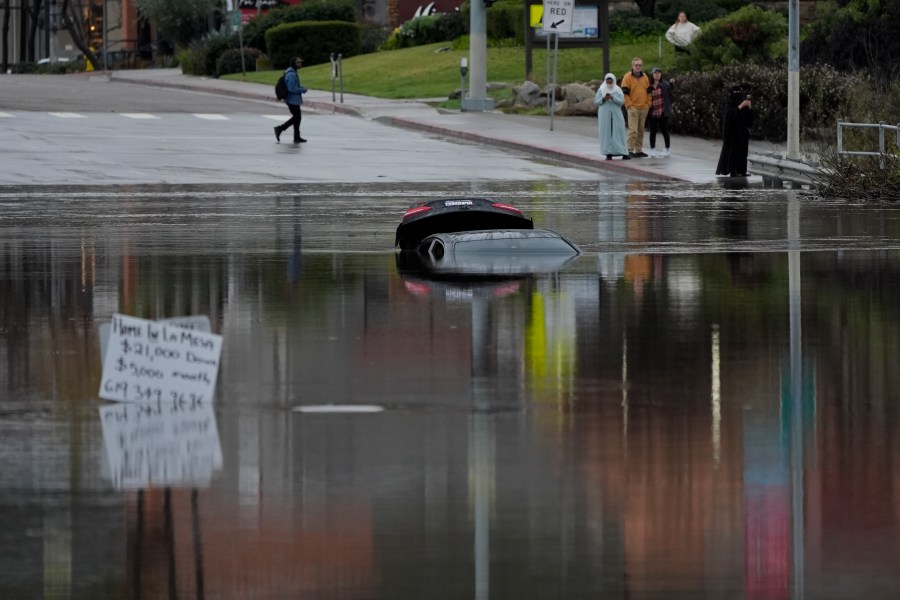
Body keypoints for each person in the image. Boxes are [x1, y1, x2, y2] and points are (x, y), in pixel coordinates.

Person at [715, 87, 754, 177]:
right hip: (733, 133)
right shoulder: (729, 104)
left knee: (743, 151)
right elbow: (730, 116)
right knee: (733, 152)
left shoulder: (743, 104)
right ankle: (733, 170)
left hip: (743, 132)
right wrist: (740, 106)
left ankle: (742, 170)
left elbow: (749, 118)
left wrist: (749, 107)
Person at [593, 73, 630, 160]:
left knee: (619, 132)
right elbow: (596, 101)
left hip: (616, 114)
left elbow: (621, 102)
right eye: (608, 81)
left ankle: (623, 152)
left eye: (611, 81)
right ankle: (608, 153)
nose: (609, 83)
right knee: (606, 133)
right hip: (604, 115)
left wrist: (613, 97)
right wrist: (603, 98)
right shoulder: (601, 90)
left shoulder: (617, 90)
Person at [620, 57, 651, 158]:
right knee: (633, 130)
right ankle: (629, 150)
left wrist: (648, 103)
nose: (638, 67)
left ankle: (638, 150)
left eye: (640, 65)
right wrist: (629, 105)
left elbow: (649, 91)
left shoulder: (645, 77)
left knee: (641, 130)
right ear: (632, 66)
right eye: (636, 65)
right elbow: (624, 93)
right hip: (633, 107)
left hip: (644, 107)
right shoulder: (627, 77)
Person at [274, 57, 308, 144]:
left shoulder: (292, 72)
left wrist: (300, 88)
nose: (300, 64)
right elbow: (291, 89)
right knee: (297, 117)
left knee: (298, 118)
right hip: (292, 100)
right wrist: (302, 90)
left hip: (294, 100)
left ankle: (296, 137)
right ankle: (280, 128)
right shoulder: (291, 75)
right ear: (294, 64)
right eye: (299, 63)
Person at [647, 67, 675, 157]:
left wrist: (672, 83)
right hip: (652, 112)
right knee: (653, 132)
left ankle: (667, 149)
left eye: (659, 73)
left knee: (665, 131)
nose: (657, 75)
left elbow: (671, 88)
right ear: (652, 74)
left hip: (663, 112)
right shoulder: (649, 86)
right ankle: (653, 149)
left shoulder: (665, 84)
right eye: (655, 73)